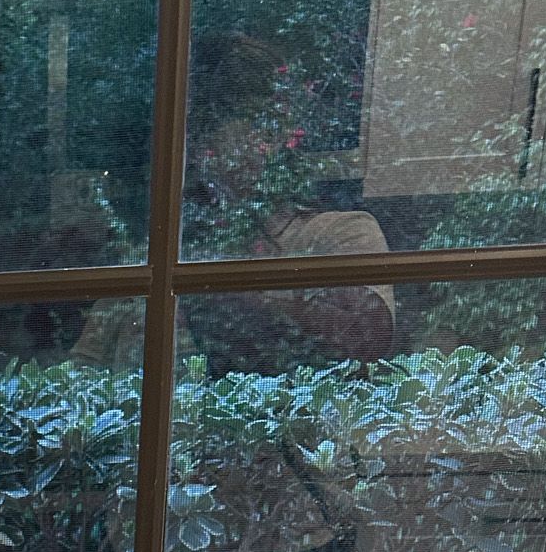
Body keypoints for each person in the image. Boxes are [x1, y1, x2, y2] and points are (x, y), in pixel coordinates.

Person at [76, 31, 396, 373]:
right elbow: (83, 371)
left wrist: (227, 290)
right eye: (192, 130)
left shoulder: (341, 234)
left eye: (211, 125)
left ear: (273, 133)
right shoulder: (161, 255)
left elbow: (368, 340)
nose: (194, 147)